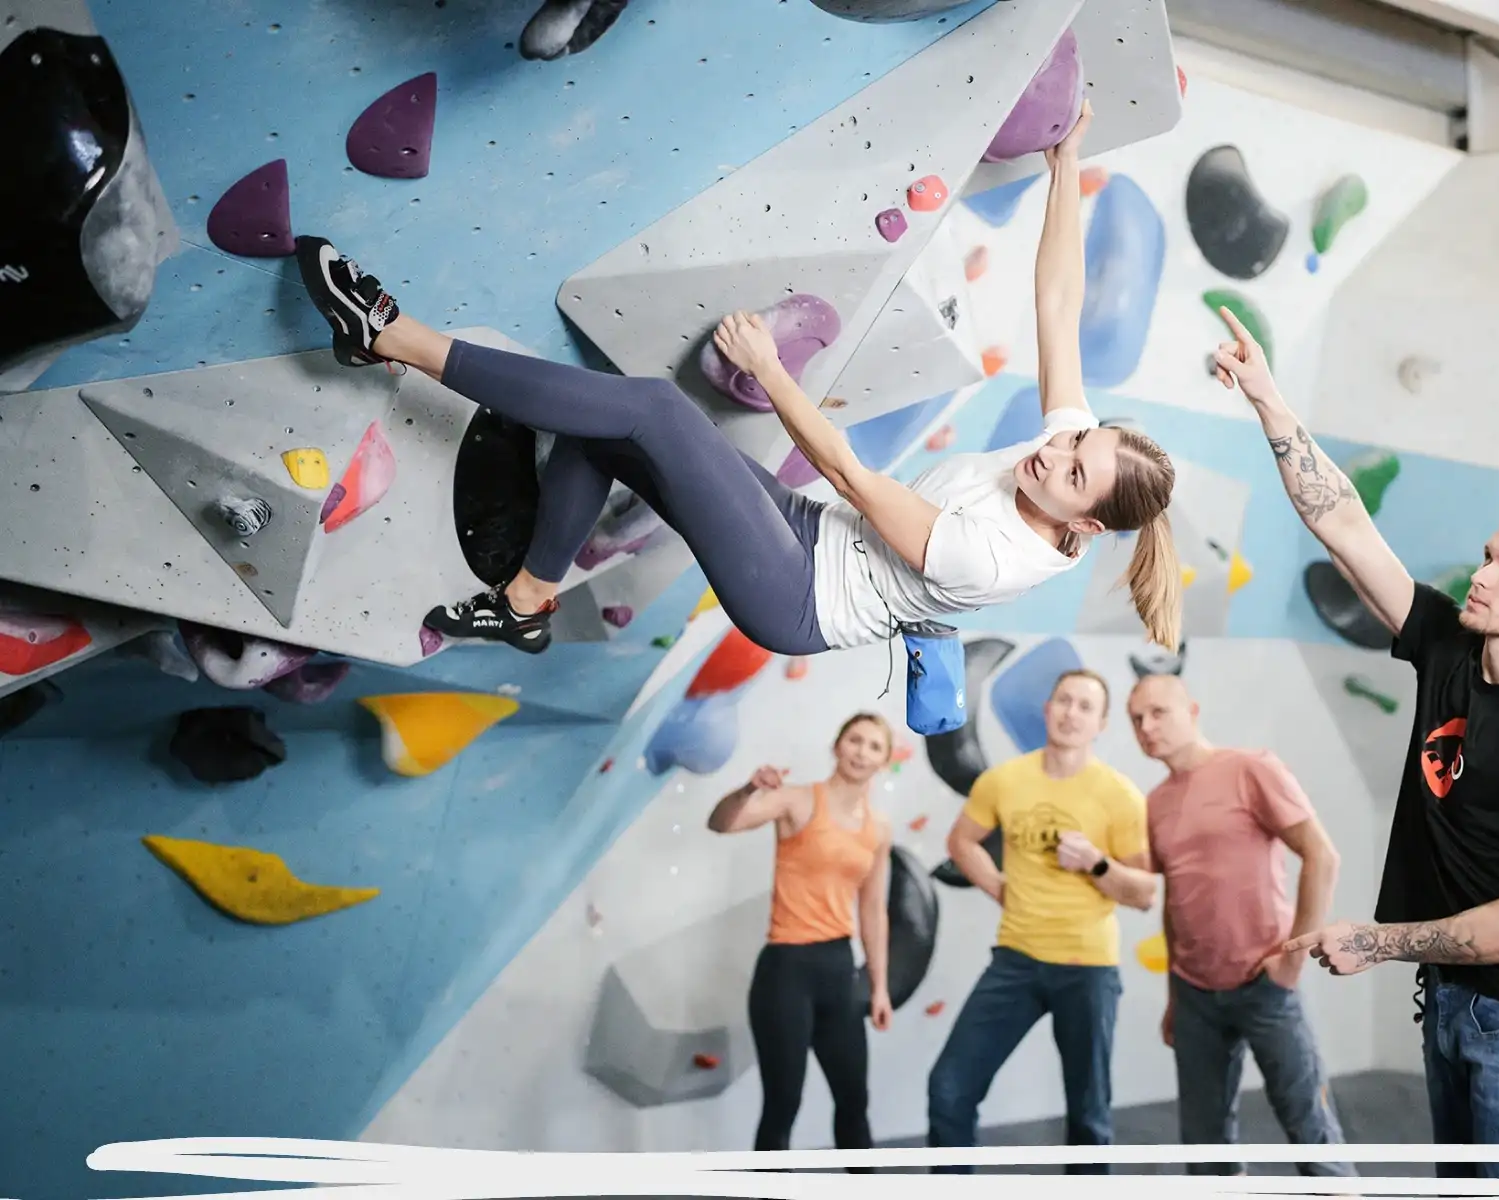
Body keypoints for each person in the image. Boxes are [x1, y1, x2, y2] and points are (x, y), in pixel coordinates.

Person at [290, 99, 1179, 660]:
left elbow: (850, 475)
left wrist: (766, 368)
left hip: (800, 598)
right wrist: (1066, 171)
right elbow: (1057, 305)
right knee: (607, 430)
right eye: (1073, 438)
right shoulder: (1058, 464)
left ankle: (388, 337)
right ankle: (527, 602)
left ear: (1086, 523)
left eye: (1072, 471)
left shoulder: (997, 557)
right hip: (816, 531)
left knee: (648, 407)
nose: (1056, 450)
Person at [1208, 308, 1499, 1180]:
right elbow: (1345, 524)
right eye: (1488, 555)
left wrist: (1380, 942)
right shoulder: (1445, 644)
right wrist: (1270, 401)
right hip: (1452, 997)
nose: (1481, 574)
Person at [1125, 673, 1356, 1179]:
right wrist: (1172, 996)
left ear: (1193, 710)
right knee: (1205, 1148)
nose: (1146, 726)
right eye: (1136, 719)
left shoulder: (1251, 768)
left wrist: (1292, 959)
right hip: (1193, 996)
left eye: (1158, 712)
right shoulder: (1155, 803)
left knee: (1312, 1130)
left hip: (1265, 985)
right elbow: (1175, 902)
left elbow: (1322, 856)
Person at [928, 668, 1157, 1174]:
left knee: (1089, 1120)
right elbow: (961, 842)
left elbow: (1143, 893)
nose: (1071, 713)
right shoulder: (1004, 781)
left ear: (1100, 724)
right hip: (1016, 960)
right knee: (949, 1088)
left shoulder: (1119, 795)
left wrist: (1096, 863)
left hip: (1088, 968)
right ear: (1047, 708)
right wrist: (998, 887)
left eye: (1085, 707)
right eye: (1064, 701)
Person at [706, 712, 896, 1167]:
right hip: (786, 972)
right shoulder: (797, 801)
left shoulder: (879, 828)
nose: (861, 751)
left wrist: (880, 986)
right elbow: (721, 823)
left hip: (838, 971)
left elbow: (872, 909)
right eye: (855, 740)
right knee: (782, 1107)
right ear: (837, 746)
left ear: (884, 761)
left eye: (874, 746)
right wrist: (748, 790)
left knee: (854, 1102)